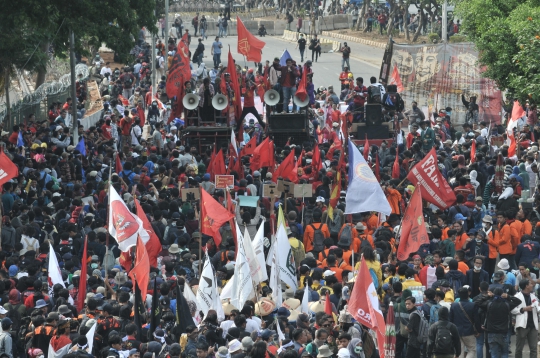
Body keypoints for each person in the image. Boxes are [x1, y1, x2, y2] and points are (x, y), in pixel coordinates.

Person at [477, 287, 521, 358]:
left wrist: (488, 296)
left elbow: (477, 302)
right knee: (504, 353)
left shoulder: (489, 304)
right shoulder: (507, 304)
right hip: (504, 332)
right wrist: (508, 296)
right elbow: (518, 301)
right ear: (502, 294)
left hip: (491, 332)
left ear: (493, 294)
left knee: (494, 354)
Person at [449, 288, 478, 358]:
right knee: (472, 349)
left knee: (459, 351)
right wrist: (478, 330)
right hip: (469, 331)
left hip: (457, 331)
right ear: (468, 294)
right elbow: (476, 319)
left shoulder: (453, 305)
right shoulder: (473, 305)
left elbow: (450, 320)